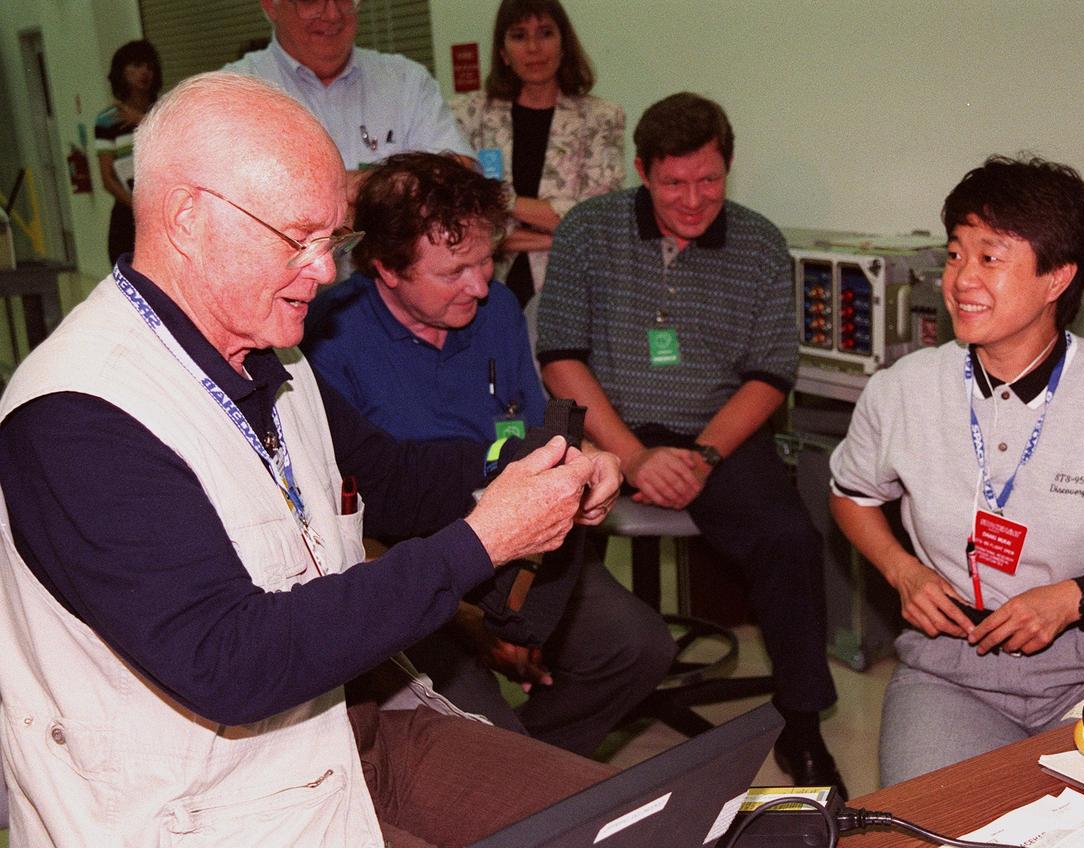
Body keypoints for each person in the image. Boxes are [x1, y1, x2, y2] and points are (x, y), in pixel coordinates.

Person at [0, 71, 623, 848]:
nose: (327, 270)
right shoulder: (79, 415)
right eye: (299, 238)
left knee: (633, 822)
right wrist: (483, 541)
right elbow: (230, 663)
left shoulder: (274, 357)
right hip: (201, 805)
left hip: (339, 730)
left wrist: (548, 466)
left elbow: (393, 478)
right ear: (189, 218)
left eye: (335, 239)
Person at [828, 155, 1084, 786]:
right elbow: (851, 494)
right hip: (951, 670)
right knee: (930, 821)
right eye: (953, 255)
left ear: (1057, 277)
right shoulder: (903, 390)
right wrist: (904, 572)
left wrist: (1072, 599)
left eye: (990, 257)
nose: (960, 279)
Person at [302, 151, 674, 756]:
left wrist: (590, 465)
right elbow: (368, 516)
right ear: (387, 270)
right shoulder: (329, 338)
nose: (479, 285)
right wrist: (477, 625)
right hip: (405, 560)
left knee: (635, 648)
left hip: (520, 538)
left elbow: (534, 435)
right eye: (453, 272)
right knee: (483, 730)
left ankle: (540, 773)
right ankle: (519, 773)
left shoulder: (496, 309)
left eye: (485, 262)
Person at [537, 92, 844, 794]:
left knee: (788, 538)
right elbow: (559, 356)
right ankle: (561, 718)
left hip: (717, 431)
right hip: (604, 422)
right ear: (641, 171)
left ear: (728, 169)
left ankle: (802, 723)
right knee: (548, 532)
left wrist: (704, 456)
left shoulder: (761, 244)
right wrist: (634, 457)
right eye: (674, 182)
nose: (693, 199)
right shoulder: (588, 230)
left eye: (709, 180)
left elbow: (771, 376)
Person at [451, 0, 624, 309]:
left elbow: (597, 223)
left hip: (574, 289)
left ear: (563, 44)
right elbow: (461, 219)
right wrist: (557, 237)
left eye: (545, 33)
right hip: (486, 292)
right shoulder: (468, 116)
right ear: (503, 52)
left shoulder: (601, 118)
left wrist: (505, 202)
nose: (533, 47)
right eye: (519, 36)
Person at [227, 0, 473, 191]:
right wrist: (386, 185)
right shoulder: (233, 93)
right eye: (311, 1)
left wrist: (351, 185)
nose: (333, 14)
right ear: (271, 6)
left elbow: (456, 171)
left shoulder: (406, 80)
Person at [95, 39, 162, 263]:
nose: (144, 72)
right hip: (127, 212)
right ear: (121, 72)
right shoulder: (107, 120)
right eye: (136, 65)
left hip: (163, 204)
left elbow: (178, 143)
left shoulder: (163, 111)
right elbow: (107, 178)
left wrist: (142, 120)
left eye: (149, 67)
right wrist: (137, 207)